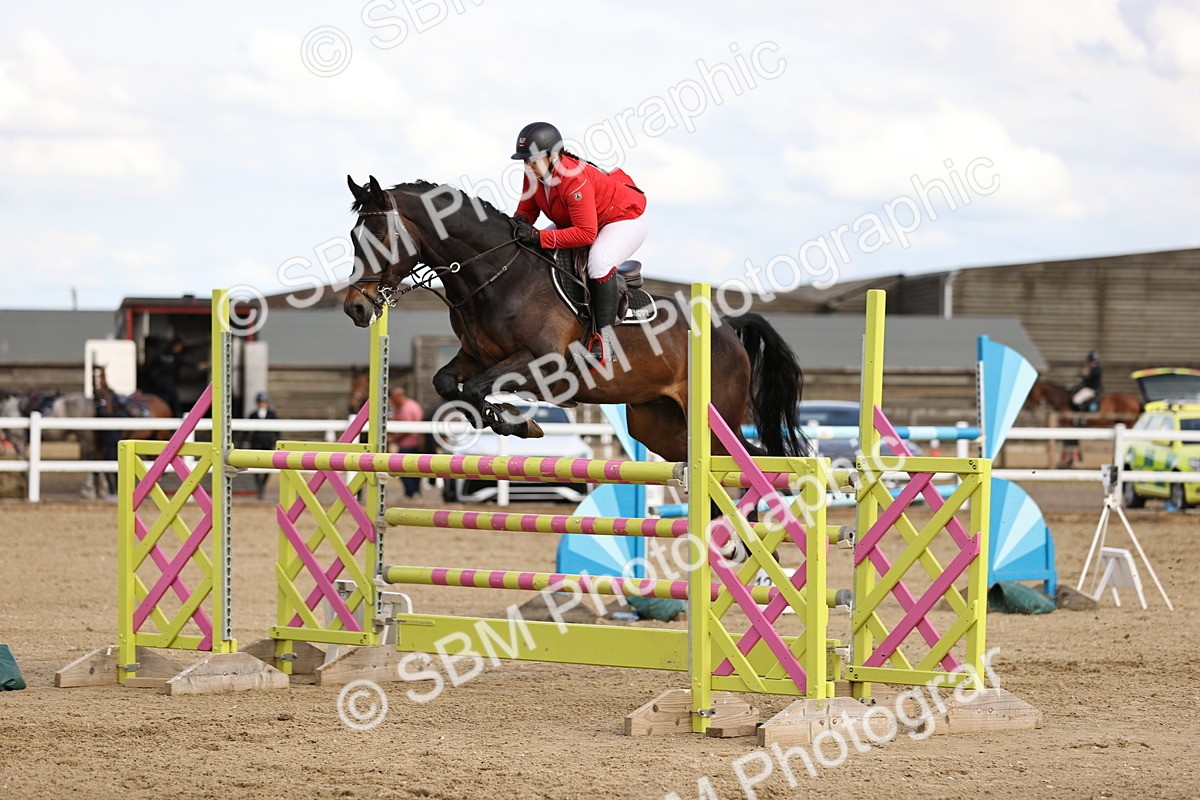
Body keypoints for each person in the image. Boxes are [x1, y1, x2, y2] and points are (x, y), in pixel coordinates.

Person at [510, 121, 647, 369]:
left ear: (552, 157)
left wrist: (540, 237)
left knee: (598, 262)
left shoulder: (574, 180)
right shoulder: (534, 174)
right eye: (525, 161)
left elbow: (585, 234)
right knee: (531, 248)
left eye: (533, 160)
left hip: (623, 221)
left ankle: (604, 342)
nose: (528, 166)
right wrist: (515, 226)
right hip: (581, 223)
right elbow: (527, 211)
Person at [387, 385, 425, 498]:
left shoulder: (406, 409)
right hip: (416, 442)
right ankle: (414, 493)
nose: (392, 401)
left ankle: (411, 493)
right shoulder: (412, 405)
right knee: (415, 471)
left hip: (408, 444)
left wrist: (394, 438)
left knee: (401, 469)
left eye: (393, 398)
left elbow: (406, 429)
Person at [244, 391, 279, 500]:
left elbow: (277, 430)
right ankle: (260, 488)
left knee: (268, 467)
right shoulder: (253, 414)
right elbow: (248, 430)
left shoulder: (272, 414)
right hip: (256, 442)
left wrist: (276, 441)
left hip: (268, 442)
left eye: (264, 401)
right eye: (261, 401)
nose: (262, 403)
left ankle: (262, 486)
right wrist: (244, 441)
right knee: (254, 467)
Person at [149, 338, 184, 416]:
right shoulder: (176, 356)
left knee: (159, 399)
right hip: (167, 380)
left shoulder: (162, 354)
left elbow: (152, 365)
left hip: (160, 380)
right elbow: (184, 364)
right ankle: (178, 415)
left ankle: (159, 415)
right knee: (174, 399)